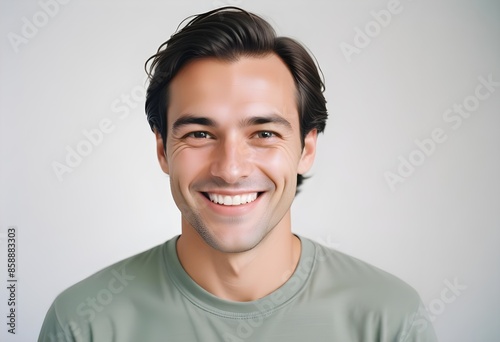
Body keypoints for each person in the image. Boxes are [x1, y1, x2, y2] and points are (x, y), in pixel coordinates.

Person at [38, 7, 438, 341]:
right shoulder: (81, 323)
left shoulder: (390, 320)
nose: (230, 169)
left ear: (307, 148)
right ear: (162, 149)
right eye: (199, 133)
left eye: (263, 133)